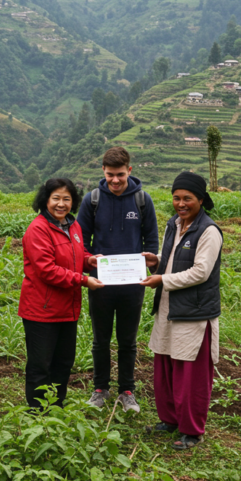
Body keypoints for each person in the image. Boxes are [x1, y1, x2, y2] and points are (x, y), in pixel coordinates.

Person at [140, 172, 222, 451]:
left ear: (201, 199)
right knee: (165, 364)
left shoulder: (209, 231)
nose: (181, 203)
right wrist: (157, 261)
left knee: (190, 372)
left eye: (188, 198)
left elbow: (200, 271)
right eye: (176, 197)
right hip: (169, 306)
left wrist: (162, 279)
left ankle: (192, 430)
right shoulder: (174, 225)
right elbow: (176, 259)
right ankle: (170, 419)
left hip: (194, 312)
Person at [77, 147, 158, 413]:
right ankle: (100, 389)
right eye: (110, 174)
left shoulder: (143, 201)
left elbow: (152, 241)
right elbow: (81, 242)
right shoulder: (92, 200)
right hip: (100, 282)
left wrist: (150, 260)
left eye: (120, 175)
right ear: (103, 171)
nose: (115, 180)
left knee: (128, 340)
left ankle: (127, 390)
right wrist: (88, 260)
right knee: (100, 340)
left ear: (130, 171)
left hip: (132, 284)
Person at [18, 179, 104, 409]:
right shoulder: (38, 229)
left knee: (64, 362)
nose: (61, 204)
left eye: (67, 199)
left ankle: (56, 407)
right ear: (45, 200)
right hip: (42, 310)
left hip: (67, 308)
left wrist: (89, 260)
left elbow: (76, 256)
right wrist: (85, 280)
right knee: (40, 365)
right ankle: (38, 413)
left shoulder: (72, 226)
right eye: (56, 198)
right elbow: (47, 271)